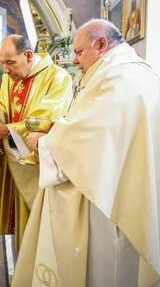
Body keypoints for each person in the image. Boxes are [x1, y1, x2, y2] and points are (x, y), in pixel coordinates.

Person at [12, 19, 160, 286]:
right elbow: (103, 129)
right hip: (128, 187)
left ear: (101, 44)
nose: (75, 60)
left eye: (79, 52)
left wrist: (43, 143)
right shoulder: (135, 73)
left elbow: (91, 138)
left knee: (106, 269)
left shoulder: (119, 77)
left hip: (109, 202)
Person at [0, 34, 73, 251]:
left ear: (28, 55)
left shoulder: (57, 78)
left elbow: (46, 120)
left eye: (10, 62)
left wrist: (6, 129)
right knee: (19, 228)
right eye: (3, 63)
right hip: (13, 163)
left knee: (40, 230)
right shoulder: (11, 77)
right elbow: (0, 103)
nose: (5, 70)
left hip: (37, 170)